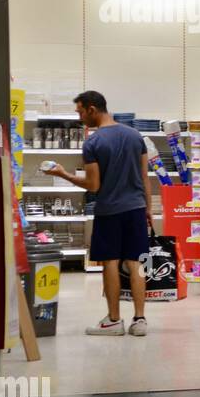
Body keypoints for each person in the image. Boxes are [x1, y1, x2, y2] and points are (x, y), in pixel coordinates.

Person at [45, 91, 151, 337]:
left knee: (110, 263)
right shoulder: (136, 136)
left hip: (109, 211)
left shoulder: (93, 143)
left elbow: (93, 186)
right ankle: (140, 319)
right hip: (136, 208)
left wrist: (63, 174)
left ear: (92, 109)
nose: (80, 118)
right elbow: (145, 177)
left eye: (80, 112)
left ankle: (114, 321)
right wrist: (147, 208)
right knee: (137, 263)